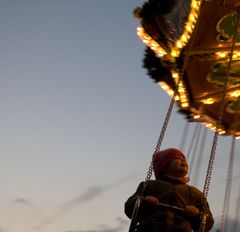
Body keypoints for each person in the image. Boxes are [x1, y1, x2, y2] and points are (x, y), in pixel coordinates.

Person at [124, 148, 214, 232]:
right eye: (177, 158)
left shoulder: (194, 193)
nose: (183, 160)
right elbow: (129, 207)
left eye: (184, 159)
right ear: (165, 166)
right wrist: (144, 201)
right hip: (151, 226)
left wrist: (197, 213)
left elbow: (208, 221)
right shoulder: (150, 185)